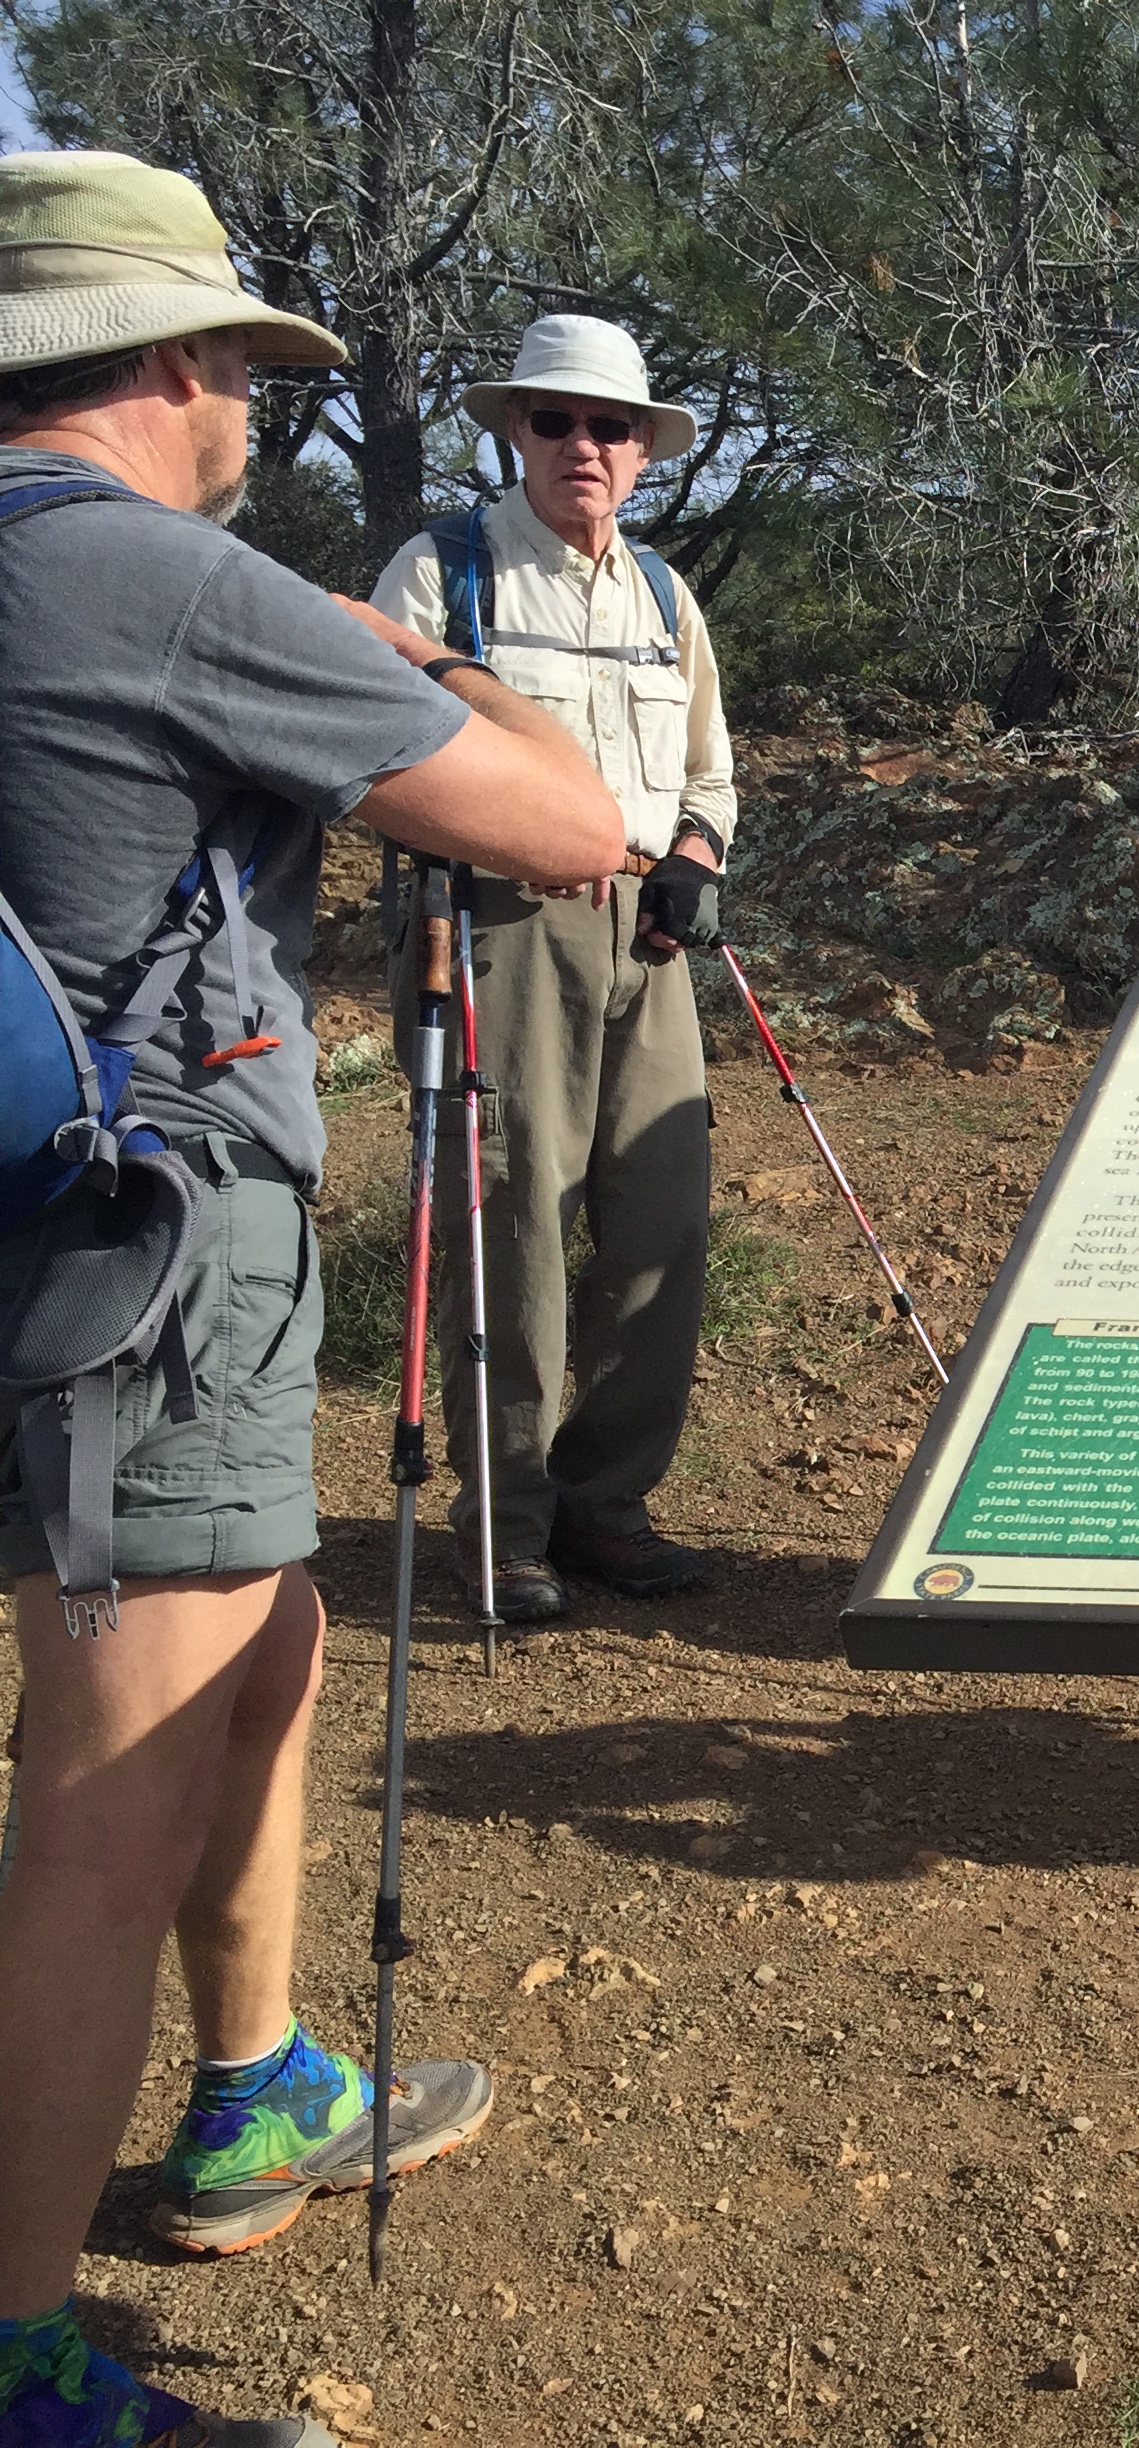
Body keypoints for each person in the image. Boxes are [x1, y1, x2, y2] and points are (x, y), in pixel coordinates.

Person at [0, 151, 619, 2445]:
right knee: (108, 1800)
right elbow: (570, 823)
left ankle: (256, 2074)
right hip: (147, 1259)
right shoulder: (160, 578)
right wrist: (411, 653)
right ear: (171, 364)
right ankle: (19, 2363)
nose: (254, 412)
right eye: (244, 372)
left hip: (50, 1223)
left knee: (267, 1638)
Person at [368, 315, 739, 1623]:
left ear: (642, 450)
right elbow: (375, 752)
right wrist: (515, 836)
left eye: (610, 425)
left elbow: (709, 771)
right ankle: (509, 1523)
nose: (583, 444)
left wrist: (693, 853)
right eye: (556, 419)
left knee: (661, 1222)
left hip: (650, 933)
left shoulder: (665, 596)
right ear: (515, 431)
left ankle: (606, 1504)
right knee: (516, 1220)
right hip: (503, 924)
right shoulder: (442, 571)